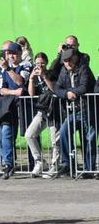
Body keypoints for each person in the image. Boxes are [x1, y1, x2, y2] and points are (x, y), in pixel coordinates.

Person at [52, 47, 96, 176]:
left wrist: (71, 92)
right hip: (74, 111)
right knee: (64, 131)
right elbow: (57, 88)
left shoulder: (84, 69)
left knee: (89, 140)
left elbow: (84, 87)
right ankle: (67, 164)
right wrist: (66, 93)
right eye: (64, 61)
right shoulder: (63, 72)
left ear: (75, 58)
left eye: (69, 60)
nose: (67, 63)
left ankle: (89, 169)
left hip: (88, 110)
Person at [0, 40, 29, 179]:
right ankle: (9, 164)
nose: (11, 56)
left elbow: (21, 81)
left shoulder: (25, 65)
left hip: (25, 105)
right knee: (6, 134)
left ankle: (34, 163)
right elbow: (1, 89)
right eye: (9, 53)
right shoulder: (2, 68)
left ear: (20, 53)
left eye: (14, 53)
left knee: (29, 134)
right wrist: (14, 92)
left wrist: (9, 69)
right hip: (9, 106)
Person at [24, 52, 56, 176]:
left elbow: (54, 89)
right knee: (29, 135)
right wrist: (31, 78)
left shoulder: (51, 73)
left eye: (42, 63)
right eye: (37, 63)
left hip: (54, 110)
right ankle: (40, 161)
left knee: (54, 141)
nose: (40, 65)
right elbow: (31, 94)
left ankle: (54, 166)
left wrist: (44, 76)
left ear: (46, 63)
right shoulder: (35, 76)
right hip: (42, 110)